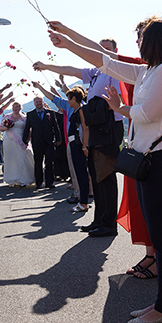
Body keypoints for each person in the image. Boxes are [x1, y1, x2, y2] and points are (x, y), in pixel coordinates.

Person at [49, 18, 162, 323]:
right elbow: (106, 61)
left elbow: (146, 113)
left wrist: (119, 108)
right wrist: (67, 41)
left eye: (142, 39)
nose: (138, 43)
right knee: (158, 232)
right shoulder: (148, 70)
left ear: (156, 41)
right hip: (150, 159)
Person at [34, 39, 124, 237]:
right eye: (98, 49)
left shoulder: (115, 70)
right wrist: (46, 66)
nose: (101, 52)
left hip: (109, 127)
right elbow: (72, 70)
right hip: (96, 127)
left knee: (105, 175)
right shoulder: (96, 71)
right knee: (96, 174)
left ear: (115, 51)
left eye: (106, 49)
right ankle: (99, 219)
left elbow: (117, 101)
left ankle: (109, 224)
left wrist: (98, 107)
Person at [32, 81, 89, 213]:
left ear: (74, 99)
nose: (67, 101)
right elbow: (53, 97)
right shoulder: (73, 108)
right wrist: (40, 87)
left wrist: (85, 146)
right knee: (76, 171)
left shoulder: (81, 109)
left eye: (69, 98)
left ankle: (83, 200)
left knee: (81, 172)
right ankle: (79, 196)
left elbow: (85, 128)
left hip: (78, 143)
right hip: (72, 143)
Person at [22, 96, 61, 189]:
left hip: (49, 141)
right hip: (37, 141)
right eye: (37, 102)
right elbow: (27, 128)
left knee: (49, 162)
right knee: (38, 162)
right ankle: (38, 182)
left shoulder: (50, 113)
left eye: (40, 101)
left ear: (43, 102)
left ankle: (49, 182)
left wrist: (58, 139)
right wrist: (25, 140)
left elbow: (55, 127)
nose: (39, 103)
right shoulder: (30, 114)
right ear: (34, 103)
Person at [0, 101, 35, 187]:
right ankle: (12, 179)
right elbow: (1, 128)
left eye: (17, 106)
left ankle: (23, 179)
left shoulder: (24, 118)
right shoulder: (7, 117)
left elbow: (28, 129)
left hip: (21, 140)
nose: (15, 108)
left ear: (20, 108)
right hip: (10, 141)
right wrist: (7, 126)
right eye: (14, 107)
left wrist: (28, 139)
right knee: (11, 159)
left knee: (23, 158)